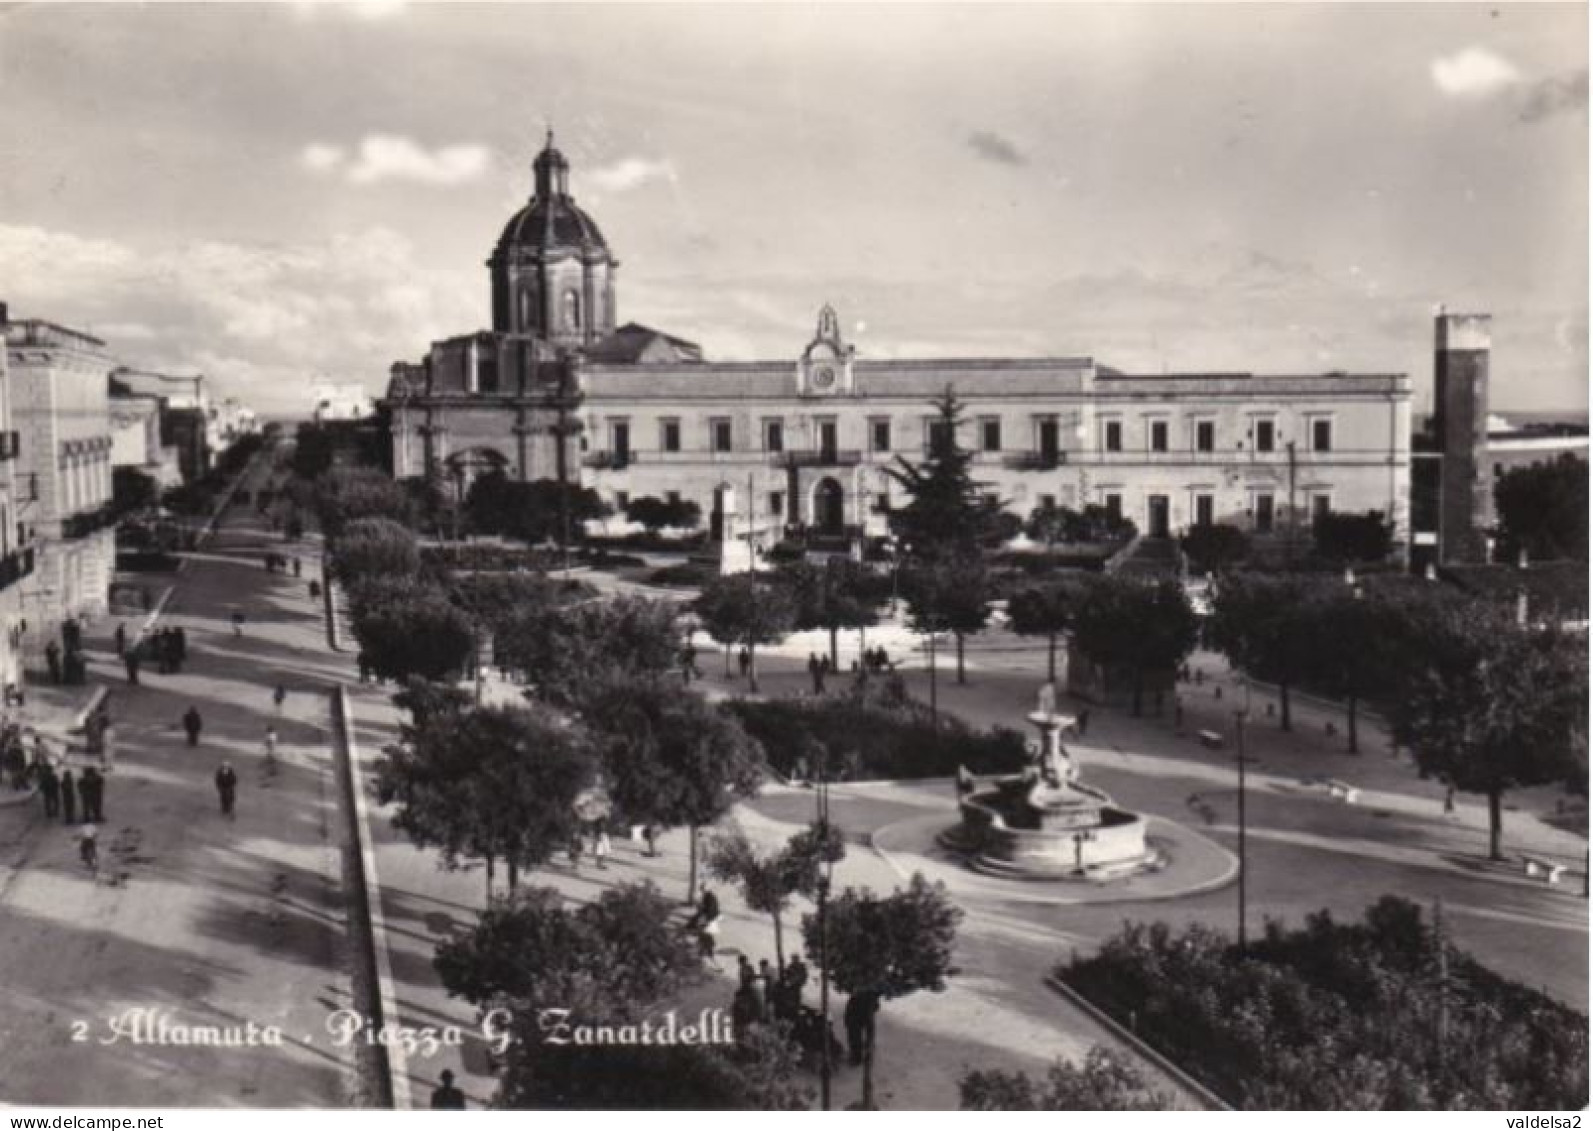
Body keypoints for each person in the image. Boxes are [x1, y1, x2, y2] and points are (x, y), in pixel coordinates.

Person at [843, 990, 880, 1067]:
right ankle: (861, 1052)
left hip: (860, 1009)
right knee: (858, 1032)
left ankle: (859, 1054)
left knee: (855, 1033)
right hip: (860, 1008)